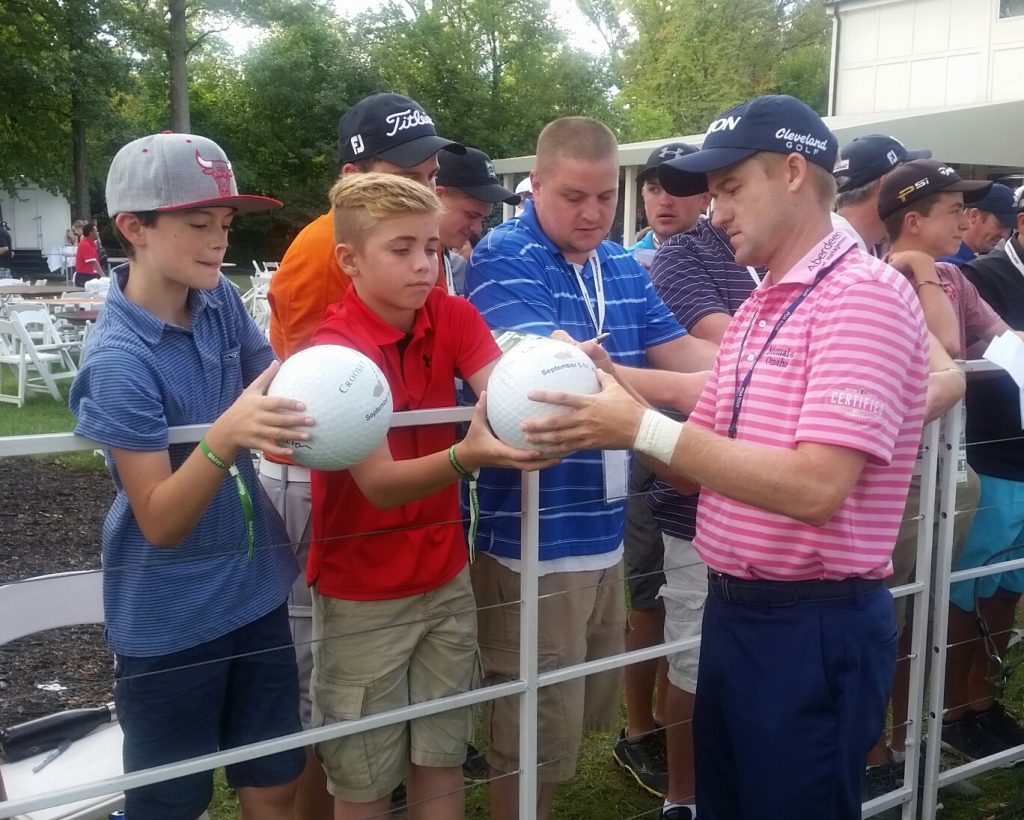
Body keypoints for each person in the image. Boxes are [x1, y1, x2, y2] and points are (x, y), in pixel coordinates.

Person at [520, 95, 930, 820]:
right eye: (713, 194)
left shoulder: (861, 297)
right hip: (738, 611)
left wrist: (635, 425)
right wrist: (606, 384)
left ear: (794, 172)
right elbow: (689, 468)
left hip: (813, 623)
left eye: (732, 189)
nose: (716, 212)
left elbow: (816, 487)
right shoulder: (763, 305)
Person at [465, 116, 714, 820]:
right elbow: (551, 385)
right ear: (535, 185)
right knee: (529, 731)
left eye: (606, 197)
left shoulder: (619, 264)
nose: (593, 213)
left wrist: (763, 367)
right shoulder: (504, 255)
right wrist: (672, 413)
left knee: (563, 725)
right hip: (531, 537)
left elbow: (689, 357)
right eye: (574, 196)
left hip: (600, 528)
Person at [69, 132, 308, 820]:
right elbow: (160, 519)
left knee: (275, 781)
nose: (219, 242)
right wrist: (226, 434)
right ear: (133, 228)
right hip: (167, 622)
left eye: (225, 224)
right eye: (199, 224)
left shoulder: (219, 300)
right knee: (171, 803)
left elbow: (275, 382)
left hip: (257, 588)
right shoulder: (117, 359)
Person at [307, 172, 555, 820]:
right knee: (363, 778)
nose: (424, 264)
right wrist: (466, 456)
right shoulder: (333, 351)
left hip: (445, 576)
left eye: (432, 247)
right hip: (363, 594)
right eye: (402, 249)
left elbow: (508, 400)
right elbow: (379, 485)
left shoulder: (452, 313)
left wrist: (559, 384)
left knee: (441, 757)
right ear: (349, 260)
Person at [261, 91, 468, 818]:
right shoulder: (320, 251)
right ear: (355, 175)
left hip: (422, 531)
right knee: (339, 704)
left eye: (430, 174)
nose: (425, 187)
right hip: (326, 484)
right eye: (406, 172)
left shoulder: (425, 275)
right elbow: (319, 389)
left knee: (402, 731)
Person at [613, 140, 704, 804]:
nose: (662, 198)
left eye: (678, 187)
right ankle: (639, 728)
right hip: (646, 450)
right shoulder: (641, 260)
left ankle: (653, 729)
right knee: (648, 596)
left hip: (676, 443)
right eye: (652, 186)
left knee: (667, 599)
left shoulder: (718, 257)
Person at [949, 189, 1024, 761]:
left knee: (1008, 588)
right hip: (991, 457)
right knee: (966, 589)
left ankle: (985, 701)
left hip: (1019, 461)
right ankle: (953, 712)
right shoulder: (984, 275)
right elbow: (958, 353)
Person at [435, 146, 518, 295]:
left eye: (483, 218)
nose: (478, 229)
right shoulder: (404, 270)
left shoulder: (454, 265)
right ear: (437, 196)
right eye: (471, 215)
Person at [832, 134, 932, 254]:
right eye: (906, 178)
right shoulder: (839, 253)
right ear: (886, 184)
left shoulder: (838, 242)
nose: (912, 188)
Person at [629, 142, 701, 270]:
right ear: (643, 195)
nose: (665, 201)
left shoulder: (732, 264)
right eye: (655, 189)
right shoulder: (621, 266)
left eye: (677, 188)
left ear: (705, 197)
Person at [937, 182, 1016, 266]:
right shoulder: (951, 265)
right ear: (974, 216)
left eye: (1009, 227)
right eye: (1001, 225)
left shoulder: (971, 259)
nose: (1005, 235)